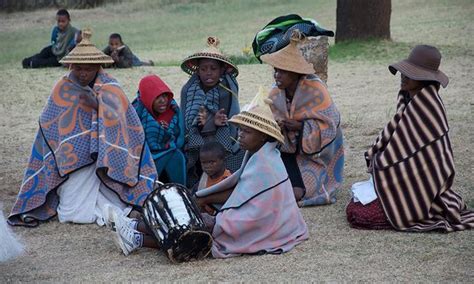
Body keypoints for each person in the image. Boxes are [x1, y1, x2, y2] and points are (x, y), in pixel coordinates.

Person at [8, 29, 157, 227]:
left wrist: (98, 105)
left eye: (88, 68)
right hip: (73, 163)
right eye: (78, 68)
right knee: (71, 213)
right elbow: (48, 123)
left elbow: (127, 123)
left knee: (108, 201)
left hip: (105, 161)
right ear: (71, 66)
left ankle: (117, 212)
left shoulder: (111, 87)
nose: (83, 73)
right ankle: (112, 213)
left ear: (98, 67)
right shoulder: (63, 87)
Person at [346, 45, 474, 232]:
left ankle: (413, 207)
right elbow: (395, 144)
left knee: (361, 216)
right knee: (354, 208)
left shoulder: (427, 106)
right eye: (403, 72)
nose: (403, 76)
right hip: (403, 180)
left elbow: (406, 158)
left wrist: (380, 164)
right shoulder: (409, 100)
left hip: (422, 186)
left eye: (411, 74)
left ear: (425, 78)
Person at [195, 87, 309, 258]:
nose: (240, 135)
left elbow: (252, 207)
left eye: (247, 132)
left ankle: (142, 236)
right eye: (240, 130)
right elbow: (240, 191)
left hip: (268, 224)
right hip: (264, 219)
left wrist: (210, 206)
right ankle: (141, 231)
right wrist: (204, 197)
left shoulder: (265, 164)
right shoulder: (259, 154)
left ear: (263, 136)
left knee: (205, 224)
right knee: (198, 216)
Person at [261, 30, 344, 206]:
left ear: (295, 73)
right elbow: (268, 120)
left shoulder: (316, 90)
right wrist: (278, 126)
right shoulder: (275, 92)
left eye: (282, 72)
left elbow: (330, 125)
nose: (277, 76)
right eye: (276, 71)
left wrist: (300, 127)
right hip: (286, 151)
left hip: (317, 156)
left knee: (297, 193)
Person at [180, 37, 244, 188]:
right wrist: (203, 123)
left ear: (222, 70)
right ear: (197, 70)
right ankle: (195, 183)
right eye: (203, 69)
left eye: (213, 69)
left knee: (242, 151)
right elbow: (186, 122)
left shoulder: (227, 90)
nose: (208, 73)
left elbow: (231, 120)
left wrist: (216, 122)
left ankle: (225, 182)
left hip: (222, 137)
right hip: (195, 138)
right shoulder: (188, 90)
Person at [132, 74, 186, 185]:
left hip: (169, 150)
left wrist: (166, 132)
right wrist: (157, 129)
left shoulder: (172, 110)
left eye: (165, 96)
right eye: (157, 97)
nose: (163, 101)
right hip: (143, 154)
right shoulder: (137, 111)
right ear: (148, 98)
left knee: (176, 156)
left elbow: (178, 139)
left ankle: (180, 191)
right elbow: (132, 138)